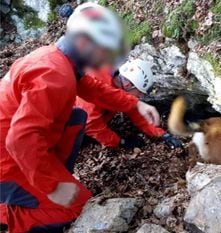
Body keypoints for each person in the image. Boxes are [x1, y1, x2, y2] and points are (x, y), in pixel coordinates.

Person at [0, 3, 160, 232]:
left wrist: (136, 103)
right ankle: (10, 216)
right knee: (76, 206)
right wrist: (54, 187)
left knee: (75, 117)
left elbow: (94, 89)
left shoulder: (58, 61)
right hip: (8, 163)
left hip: (16, 146)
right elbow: (20, 141)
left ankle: (41, 187)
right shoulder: (54, 75)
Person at [76, 59, 183, 149]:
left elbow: (134, 110)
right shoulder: (96, 82)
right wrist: (119, 142)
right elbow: (90, 123)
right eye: (140, 92)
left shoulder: (118, 85)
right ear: (128, 84)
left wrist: (163, 135)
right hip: (69, 126)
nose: (140, 97)